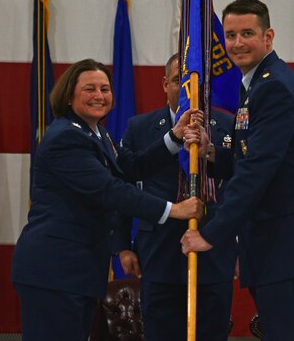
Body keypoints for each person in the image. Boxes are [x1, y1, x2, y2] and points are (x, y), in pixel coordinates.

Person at [180, 0, 294, 340]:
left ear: (268, 36)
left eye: (247, 33)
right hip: (279, 240)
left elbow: (257, 172)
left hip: (289, 241)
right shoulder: (258, 83)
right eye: (230, 35)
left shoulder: (273, 87)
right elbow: (251, 157)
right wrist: (211, 153)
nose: (236, 43)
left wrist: (211, 233)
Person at [11, 59, 204, 341]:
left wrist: (174, 137)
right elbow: (110, 190)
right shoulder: (66, 137)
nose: (99, 96)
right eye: (90, 89)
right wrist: (173, 210)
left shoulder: (97, 133)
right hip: (54, 271)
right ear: (69, 94)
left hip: (78, 271)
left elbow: (132, 168)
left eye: (105, 88)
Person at [114, 53, 237, 341]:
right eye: (178, 82)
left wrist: (238, 244)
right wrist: (122, 246)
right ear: (164, 85)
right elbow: (123, 187)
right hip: (157, 255)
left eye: (195, 83)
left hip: (214, 252)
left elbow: (238, 188)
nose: (187, 90)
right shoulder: (139, 127)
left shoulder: (227, 126)